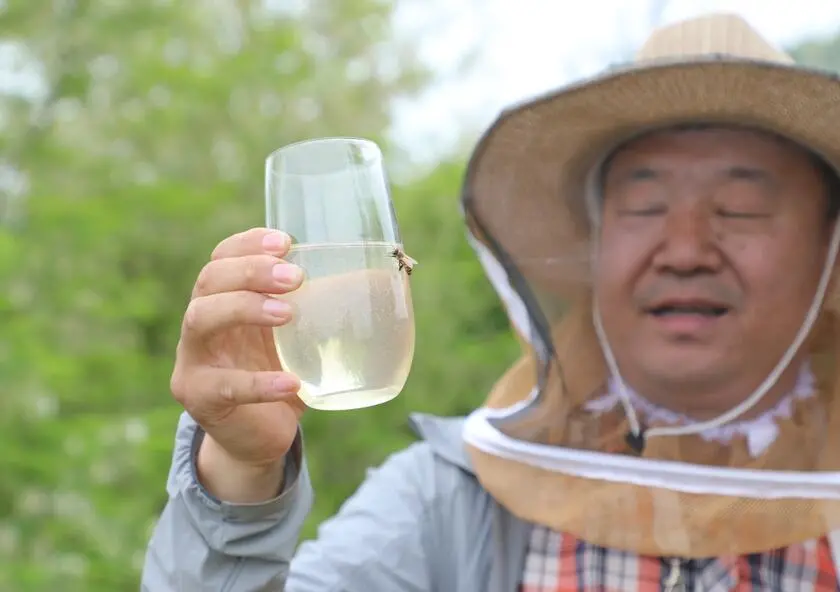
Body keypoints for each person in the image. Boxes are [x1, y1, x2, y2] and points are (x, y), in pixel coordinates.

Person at [142, 12, 840, 591]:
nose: (684, 248)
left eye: (743, 206)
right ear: (591, 247)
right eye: (646, 204)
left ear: (828, 253)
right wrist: (239, 470)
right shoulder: (455, 500)